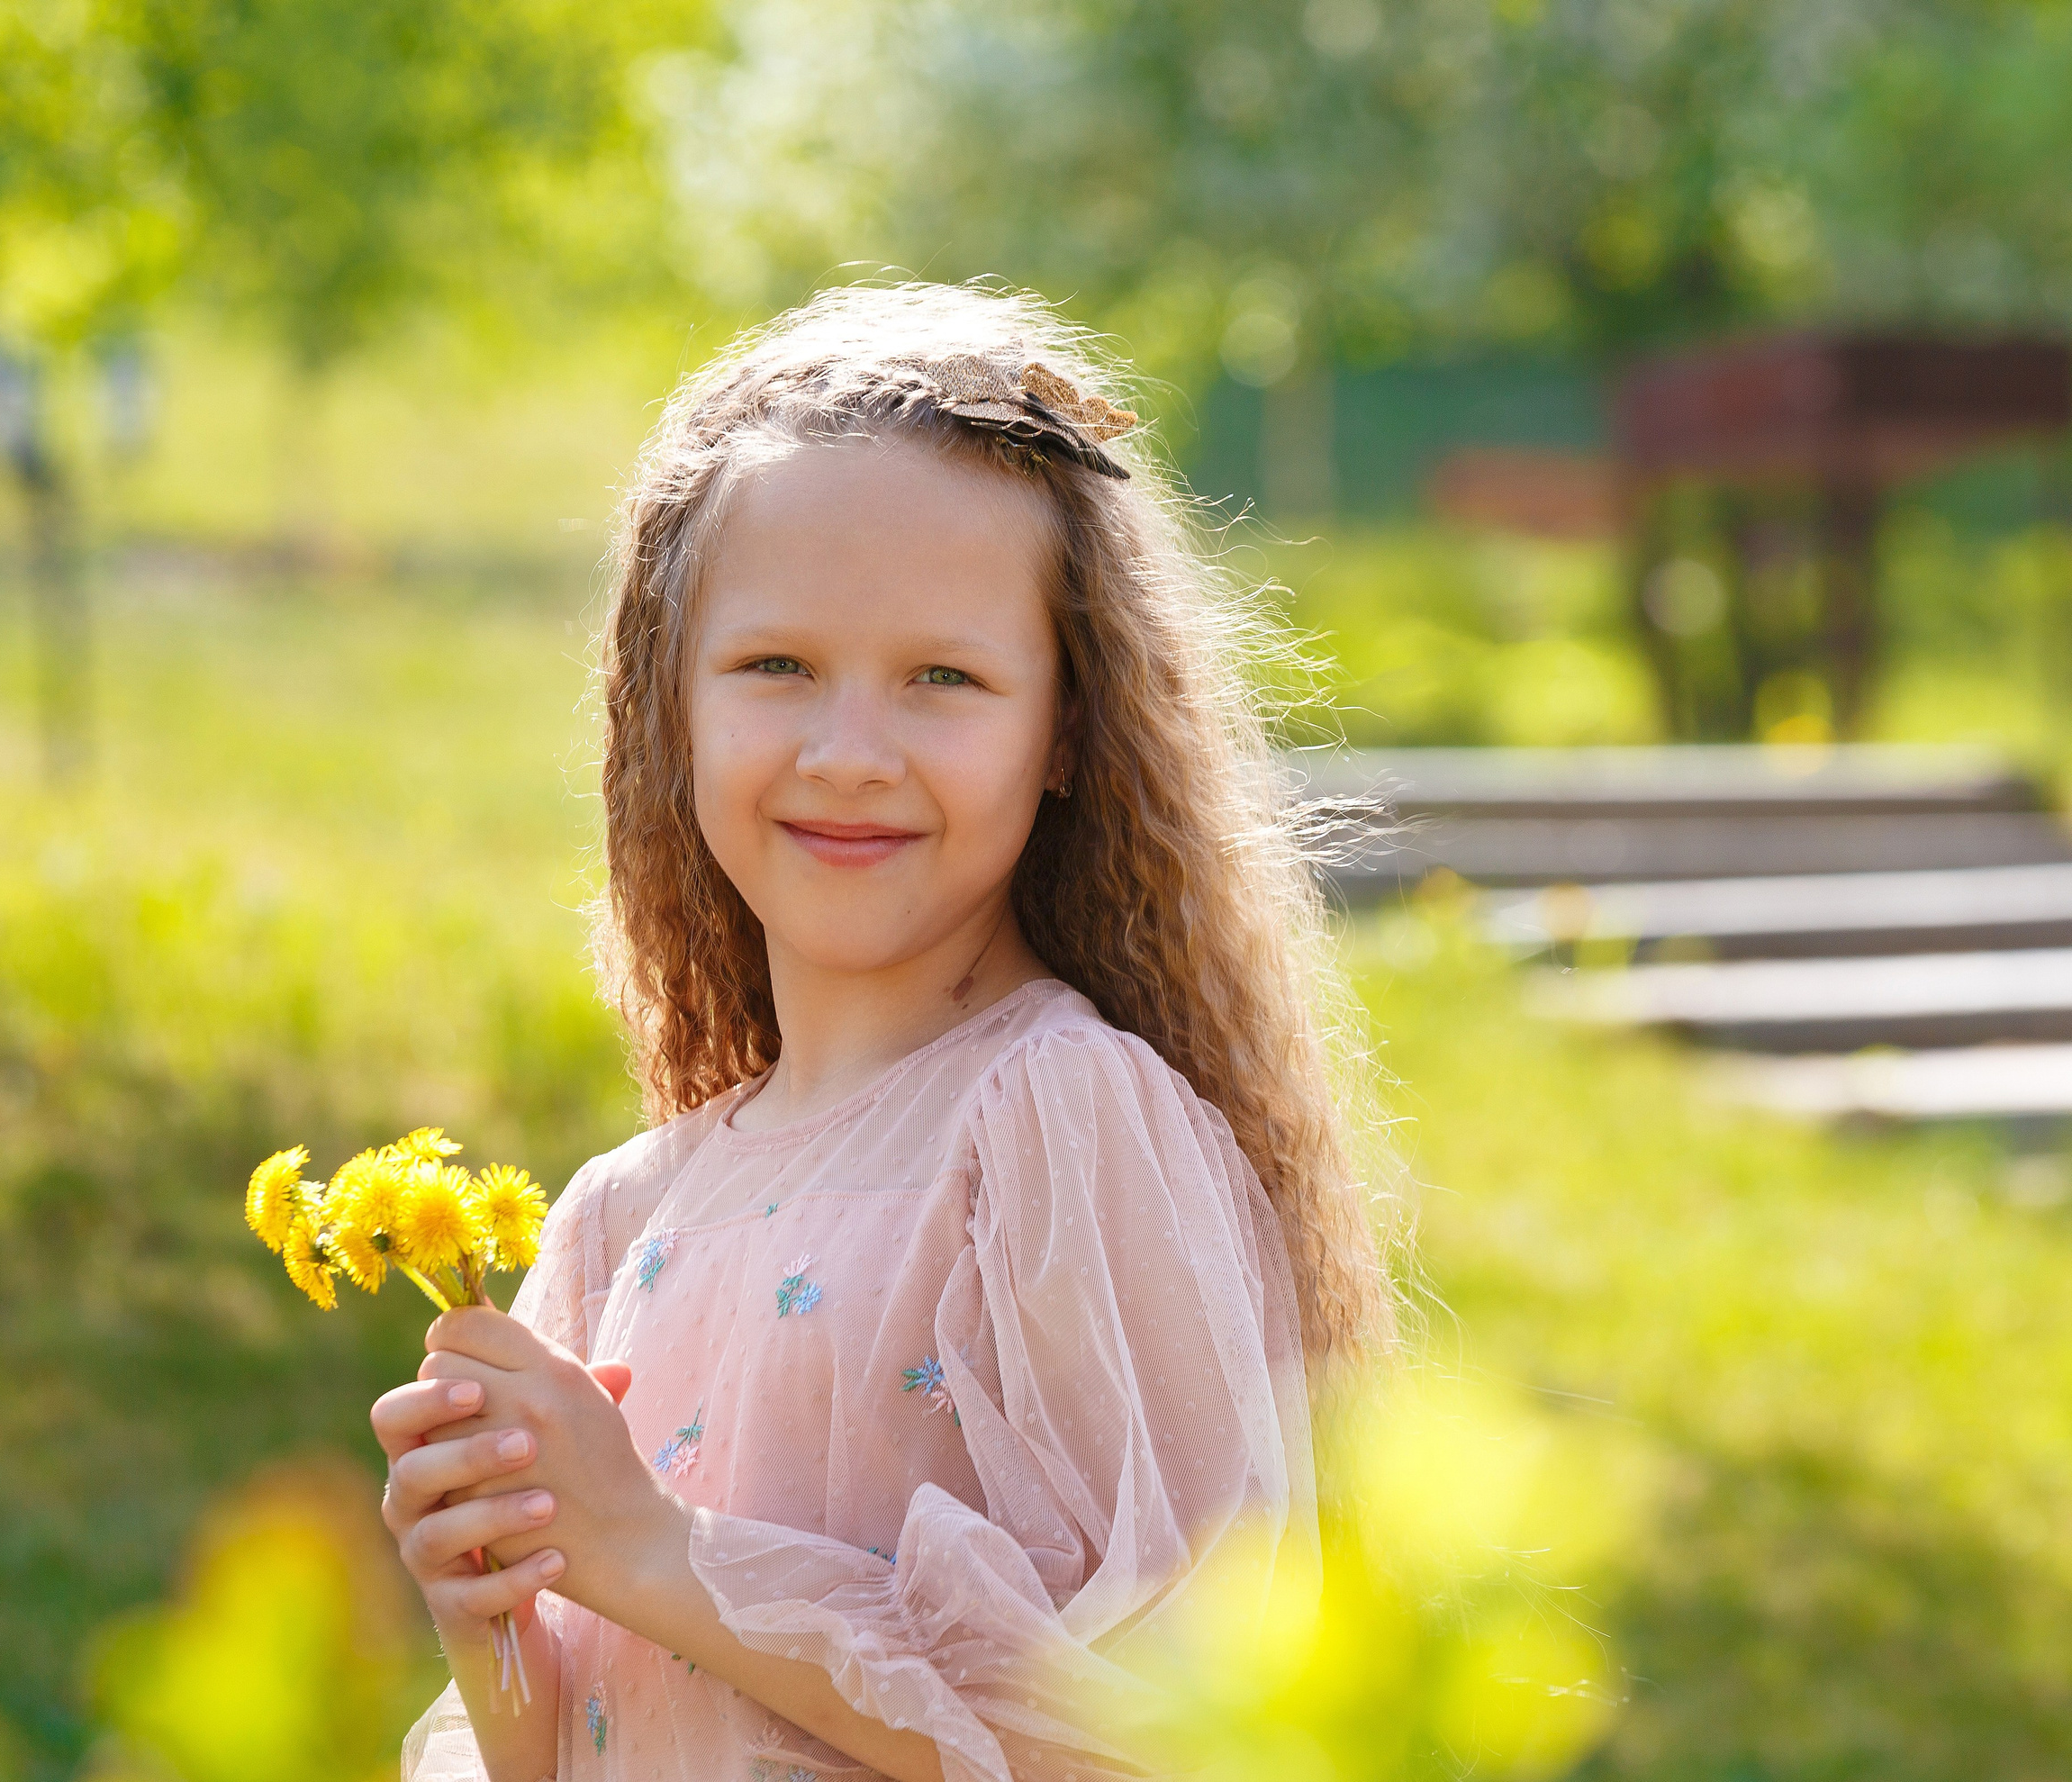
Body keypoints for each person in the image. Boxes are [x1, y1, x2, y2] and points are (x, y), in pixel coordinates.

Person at [372, 283, 1390, 1782]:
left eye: (945, 679)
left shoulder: (1060, 1119)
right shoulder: (613, 1218)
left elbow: (1181, 1729)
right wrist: (499, 1618)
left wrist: (654, 1548)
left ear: (1064, 734)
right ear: (670, 708)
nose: (850, 754)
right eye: (777, 666)